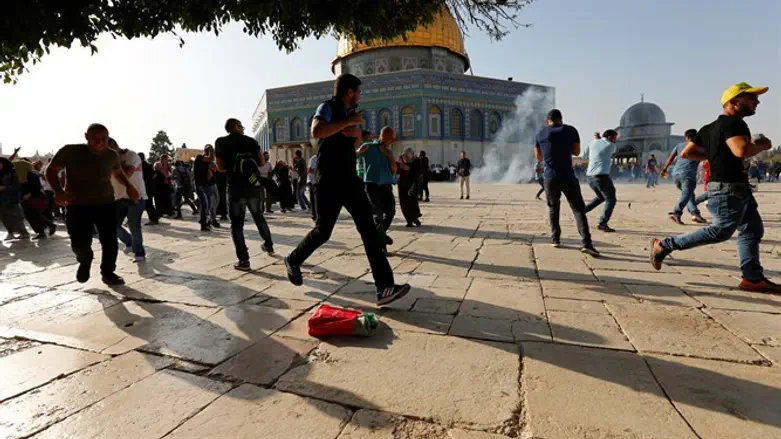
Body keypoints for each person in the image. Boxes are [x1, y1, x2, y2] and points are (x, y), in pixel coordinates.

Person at [284, 73, 410, 306]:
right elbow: (317, 131)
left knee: (369, 230)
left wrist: (351, 129)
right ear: (349, 91)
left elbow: (354, 141)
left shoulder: (352, 115)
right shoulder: (328, 107)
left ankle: (384, 287)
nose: (360, 96)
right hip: (328, 180)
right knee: (323, 231)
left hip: (350, 179)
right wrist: (345, 125)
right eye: (358, 92)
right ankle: (293, 259)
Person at [650, 82, 781, 293]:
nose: (757, 102)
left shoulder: (709, 128)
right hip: (728, 187)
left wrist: (714, 155)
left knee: (751, 230)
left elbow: (687, 153)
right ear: (734, 102)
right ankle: (664, 245)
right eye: (751, 99)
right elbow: (741, 150)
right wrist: (763, 146)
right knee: (720, 231)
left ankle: (752, 278)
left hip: (735, 187)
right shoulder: (734, 123)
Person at [46, 123, 139, 285]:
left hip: (106, 203)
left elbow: (118, 174)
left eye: (104, 139)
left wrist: (130, 187)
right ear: (86, 137)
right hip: (77, 204)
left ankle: (108, 272)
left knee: (110, 240)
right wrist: (58, 191)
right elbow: (51, 171)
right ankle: (85, 259)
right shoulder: (70, 151)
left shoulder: (111, 155)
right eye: (95, 138)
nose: (100, 142)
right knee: (79, 242)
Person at [535, 109, 599, 256]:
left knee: (553, 207)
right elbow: (576, 152)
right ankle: (586, 243)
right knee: (578, 209)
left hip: (550, 177)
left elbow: (538, 157)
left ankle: (555, 239)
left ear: (547, 121)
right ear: (561, 119)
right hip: (568, 176)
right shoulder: (571, 130)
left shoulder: (540, 134)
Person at [215, 118, 274, 271]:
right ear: (236, 126)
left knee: (237, 225)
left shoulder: (221, 142)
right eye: (241, 126)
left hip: (235, 189)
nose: (243, 128)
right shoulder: (251, 141)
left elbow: (220, 167)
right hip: (253, 186)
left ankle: (244, 261)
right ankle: (268, 245)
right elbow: (261, 162)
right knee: (258, 216)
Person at [358, 126, 398, 251]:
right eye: (390, 139)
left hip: (386, 185)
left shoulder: (388, 151)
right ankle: (381, 245)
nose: (391, 142)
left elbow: (394, 171)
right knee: (378, 215)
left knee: (390, 212)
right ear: (383, 136)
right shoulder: (368, 147)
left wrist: (389, 156)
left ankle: (378, 236)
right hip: (372, 185)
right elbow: (352, 157)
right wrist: (359, 152)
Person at [108, 138, 147, 262]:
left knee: (133, 225)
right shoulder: (106, 160)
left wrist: (113, 165)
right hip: (118, 197)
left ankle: (139, 252)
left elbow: (127, 174)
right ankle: (129, 242)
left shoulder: (131, 155)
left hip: (136, 196)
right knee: (112, 225)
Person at [661, 129, 708, 225]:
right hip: (688, 175)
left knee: (689, 195)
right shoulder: (700, 147)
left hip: (676, 175)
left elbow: (671, 157)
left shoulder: (679, 145)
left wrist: (664, 169)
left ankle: (695, 214)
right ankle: (677, 212)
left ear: (686, 137)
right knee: (686, 195)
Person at [582, 129, 618, 233]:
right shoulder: (611, 146)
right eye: (615, 137)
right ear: (610, 137)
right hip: (601, 177)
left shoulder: (592, 142)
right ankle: (602, 223)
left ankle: (582, 211)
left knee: (601, 197)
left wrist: (596, 140)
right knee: (611, 199)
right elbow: (609, 148)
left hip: (590, 178)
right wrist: (599, 140)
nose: (616, 140)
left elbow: (584, 155)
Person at [0, 157, 29, 240]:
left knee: (16, 217)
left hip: (11, 199)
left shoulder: (12, 173)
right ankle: (10, 233)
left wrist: (4, 187)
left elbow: (17, 186)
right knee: (4, 217)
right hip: (1, 199)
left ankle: (24, 232)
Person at [397, 147, 422, 227]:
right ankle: (409, 221)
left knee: (413, 202)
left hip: (412, 184)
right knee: (403, 203)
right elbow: (395, 168)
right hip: (402, 184)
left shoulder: (417, 161)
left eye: (408, 157)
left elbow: (419, 172)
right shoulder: (400, 160)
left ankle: (415, 218)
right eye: (405, 156)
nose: (406, 158)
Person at [194, 145, 216, 231]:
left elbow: (211, 172)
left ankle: (204, 221)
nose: (209, 153)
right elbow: (211, 158)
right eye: (207, 151)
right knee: (205, 204)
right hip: (200, 185)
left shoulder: (206, 162)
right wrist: (210, 148)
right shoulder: (199, 157)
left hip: (206, 185)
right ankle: (203, 225)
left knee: (209, 204)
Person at [138, 153, 161, 225]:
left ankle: (153, 219)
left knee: (148, 205)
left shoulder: (141, 166)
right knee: (149, 204)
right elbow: (154, 175)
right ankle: (156, 215)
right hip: (150, 188)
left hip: (146, 188)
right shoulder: (149, 165)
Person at [307, 153, 318, 222]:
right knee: (314, 200)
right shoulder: (314, 158)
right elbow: (310, 170)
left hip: (321, 182)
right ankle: (314, 215)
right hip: (313, 181)